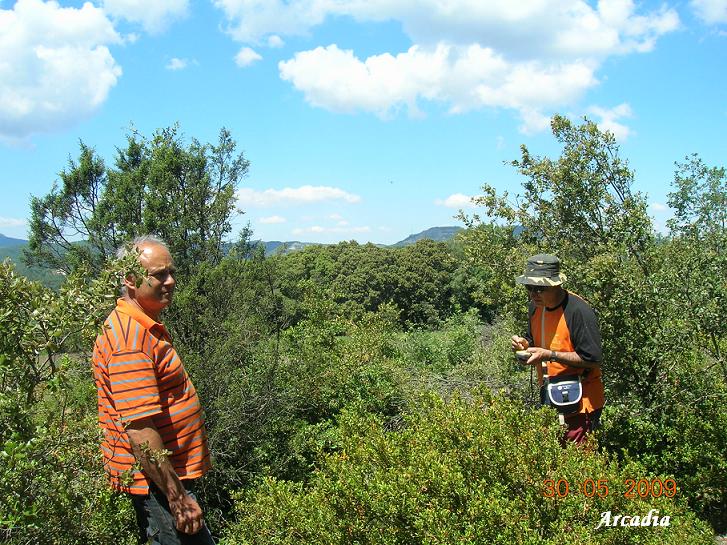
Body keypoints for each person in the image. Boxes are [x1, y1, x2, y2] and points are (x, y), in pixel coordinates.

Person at [92, 235, 214, 544]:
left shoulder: (144, 325)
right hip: (159, 486)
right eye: (159, 274)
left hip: (169, 479)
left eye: (171, 272)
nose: (170, 281)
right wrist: (177, 498)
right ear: (130, 279)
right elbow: (140, 430)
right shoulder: (129, 341)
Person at [510, 254, 605, 444]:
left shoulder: (578, 311)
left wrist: (550, 355)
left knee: (579, 465)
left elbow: (592, 358)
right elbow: (534, 339)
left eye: (540, 288)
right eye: (529, 288)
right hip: (549, 396)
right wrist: (524, 345)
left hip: (581, 403)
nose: (533, 294)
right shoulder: (536, 307)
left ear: (556, 285)